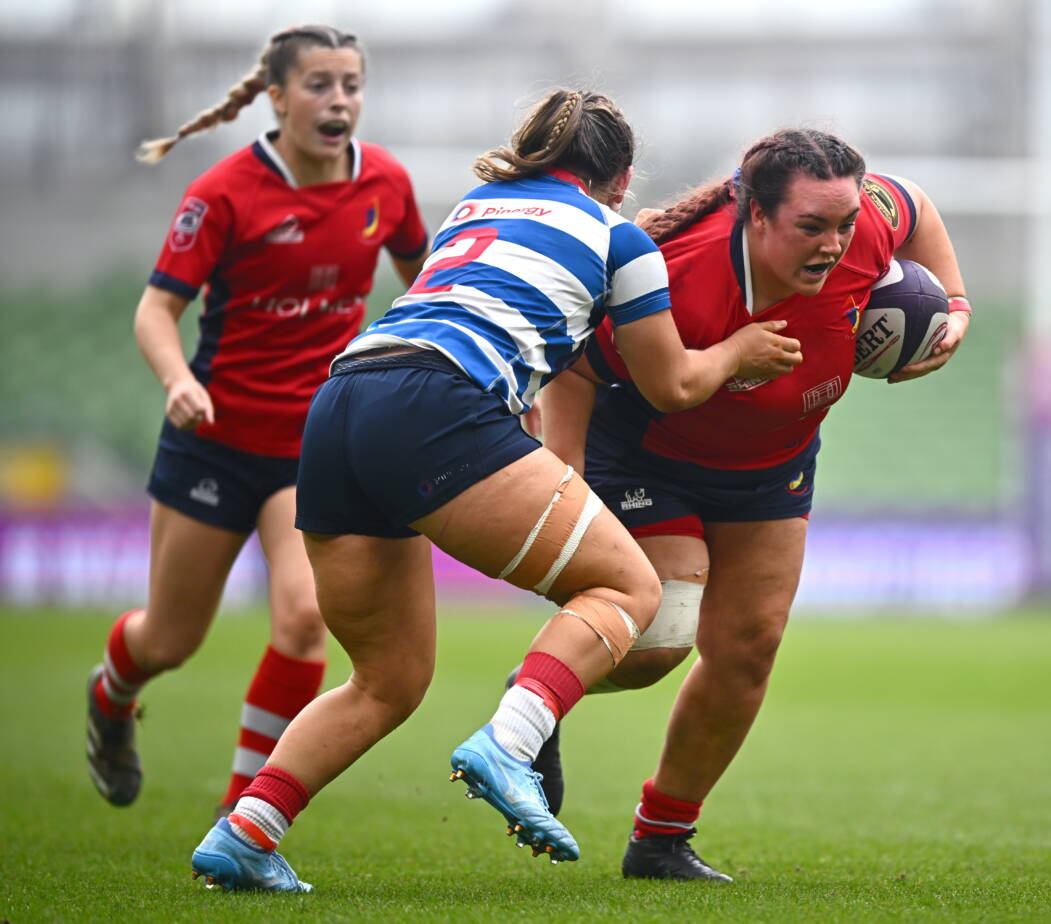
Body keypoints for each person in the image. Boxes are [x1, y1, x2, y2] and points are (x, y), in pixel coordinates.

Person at [185, 88, 803, 892]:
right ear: (619, 178)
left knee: (387, 677)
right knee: (627, 586)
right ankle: (511, 742)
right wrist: (740, 351)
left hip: (341, 402)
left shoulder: (479, 203)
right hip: (436, 404)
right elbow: (674, 383)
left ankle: (248, 830)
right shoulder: (618, 237)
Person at [534, 128, 972, 880]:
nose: (836, 244)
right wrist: (562, 483)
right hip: (649, 457)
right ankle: (538, 697)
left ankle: (662, 840)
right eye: (812, 227)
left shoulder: (865, 224)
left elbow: (918, 207)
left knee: (748, 650)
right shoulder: (678, 273)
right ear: (755, 215)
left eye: (843, 225)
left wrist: (955, 305)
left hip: (773, 467)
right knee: (659, 646)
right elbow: (576, 370)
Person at [85, 25, 429, 817]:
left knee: (307, 619)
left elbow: (426, 282)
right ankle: (112, 694)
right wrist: (176, 381)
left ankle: (242, 820)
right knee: (168, 641)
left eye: (350, 84)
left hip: (312, 445)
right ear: (275, 98)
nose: (338, 99)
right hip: (214, 442)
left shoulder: (386, 184)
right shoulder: (225, 192)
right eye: (318, 84)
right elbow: (155, 311)